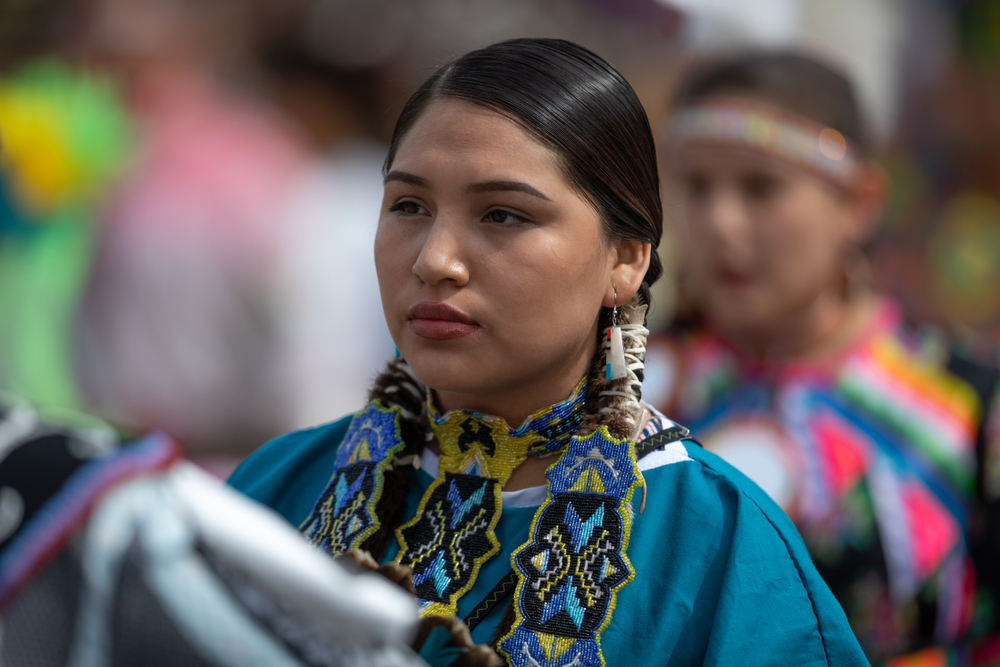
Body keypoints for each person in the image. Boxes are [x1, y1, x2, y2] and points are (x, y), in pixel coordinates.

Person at [229, 38, 868, 667]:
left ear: (626, 258)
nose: (434, 261)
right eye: (408, 206)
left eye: (503, 215)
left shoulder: (718, 545)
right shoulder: (277, 488)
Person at [645, 52, 1000, 663]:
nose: (720, 222)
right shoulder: (622, 392)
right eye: (696, 185)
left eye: (762, 187)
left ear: (860, 202)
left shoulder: (970, 407)